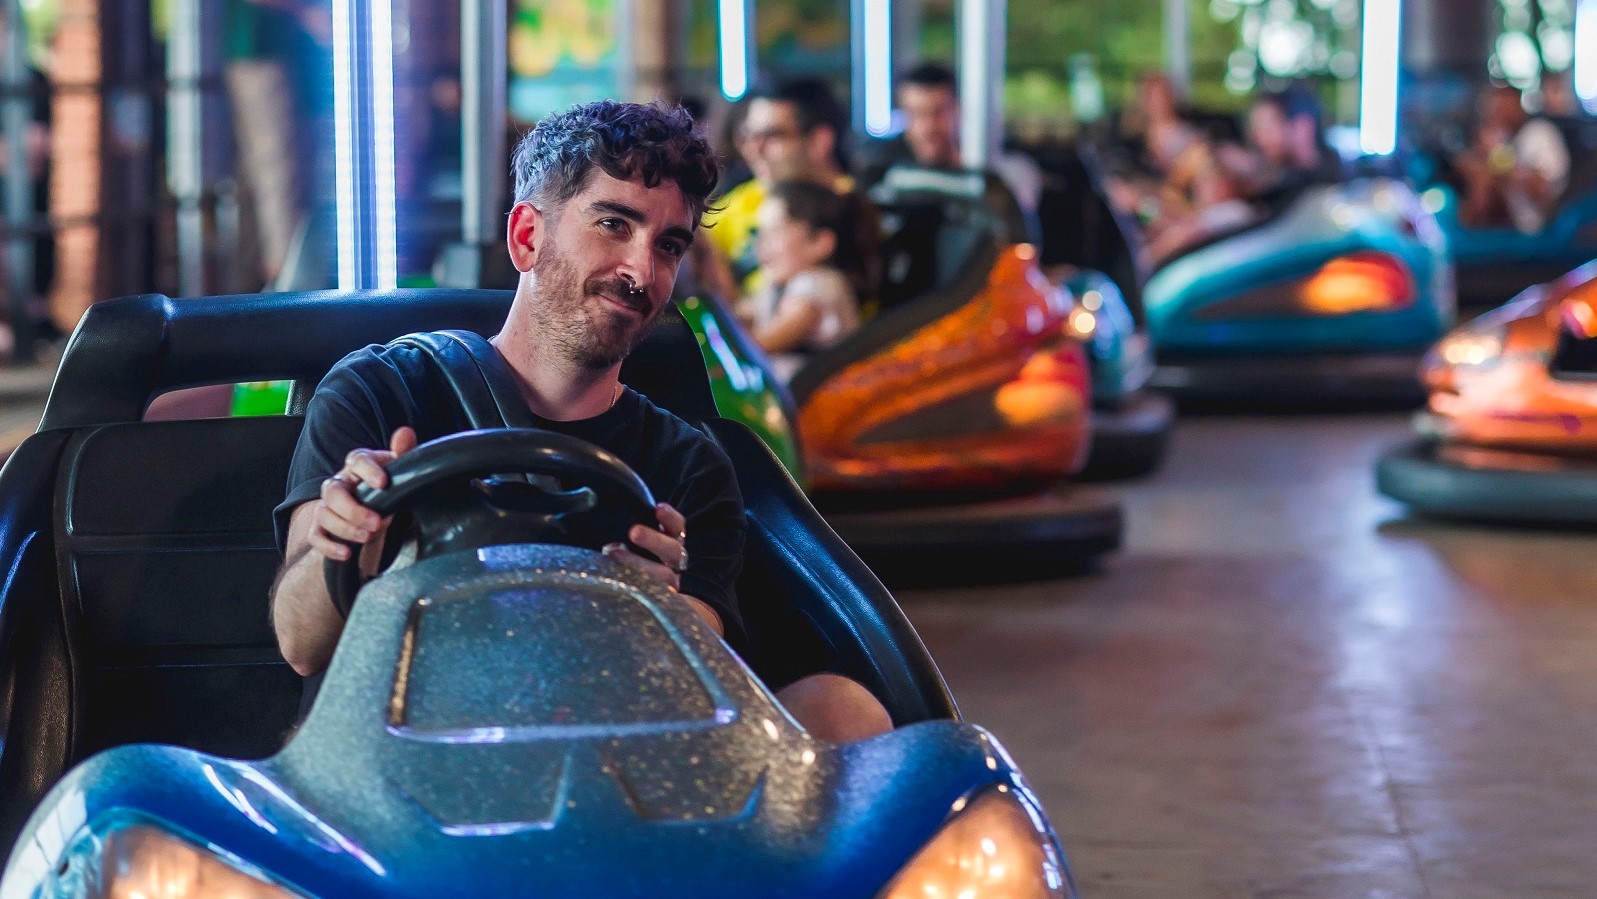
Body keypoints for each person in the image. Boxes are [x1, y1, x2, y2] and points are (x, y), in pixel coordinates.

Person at [269, 100, 892, 744]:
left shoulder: (687, 462)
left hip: (602, 766)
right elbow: (300, 643)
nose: (641, 272)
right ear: (527, 237)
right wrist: (350, 548)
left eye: (668, 246)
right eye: (614, 225)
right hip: (410, 755)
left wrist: (658, 614)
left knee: (845, 710)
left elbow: (707, 672)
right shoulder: (382, 394)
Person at [701, 78, 876, 299]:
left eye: (771, 135)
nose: (753, 149)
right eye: (747, 136)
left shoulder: (854, 209)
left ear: (819, 141)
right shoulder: (742, 201)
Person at [864, 62, 1045, 223]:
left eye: (938, 112)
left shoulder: (1002, 169)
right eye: (916, 113)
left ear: (958, 110)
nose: (928, 127)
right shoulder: (885, 170)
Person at [736, 178, 864, 381]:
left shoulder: (819, 284)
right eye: (760, 232)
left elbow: (763, 344)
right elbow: (737, 315)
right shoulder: (775, 287)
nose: (762, 243)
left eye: (776, 230)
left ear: (820, 243)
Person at [1453, 83, 1571, 233]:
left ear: (1518, 106)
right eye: (1494, 110)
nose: (1499, 115)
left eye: (1504, 108)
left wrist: (1497, 156)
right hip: (1497, 229)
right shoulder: (1502, 139)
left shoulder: (1540, 134)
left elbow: (1543, 193)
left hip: (1534, 231)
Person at [1244, 85, 1341, 200]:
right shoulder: (1278, 186)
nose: (1257, 137)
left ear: (1303, 127)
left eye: (1267, 127)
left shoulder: (1337, 191)